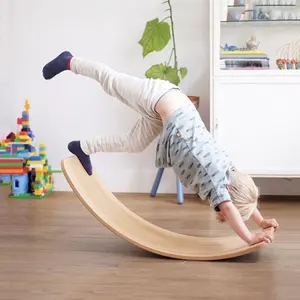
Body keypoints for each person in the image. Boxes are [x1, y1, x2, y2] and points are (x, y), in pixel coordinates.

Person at [42, 51, 279, 245]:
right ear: (226, 190)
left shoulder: (228, 171)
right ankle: (70, 61)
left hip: (167, 110)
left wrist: (261, 221)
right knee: (110, 81)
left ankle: (82, 147)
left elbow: (242, 195)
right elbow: (229, 207)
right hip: (159, 96)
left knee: (133, 144)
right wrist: (249, 237)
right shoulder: (215, 177)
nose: (222, 212)